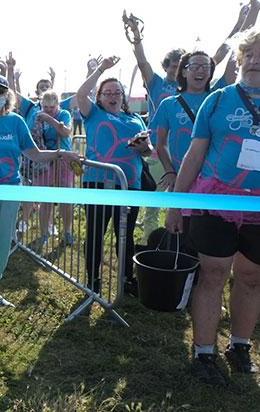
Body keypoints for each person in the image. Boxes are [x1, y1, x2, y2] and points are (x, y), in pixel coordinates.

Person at [165, 28, 260, 386]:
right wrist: (177, 205)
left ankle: (239, 345)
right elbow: (194, 155)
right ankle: (203, 352)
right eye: (249, 54)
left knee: (252, 277)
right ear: (240, 60)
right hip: (214, 201)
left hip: (258, 208)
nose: (254, 61)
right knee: (214, 273)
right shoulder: (217, 100)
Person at [0, 74, 81, 318]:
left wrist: (60, 153)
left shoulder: (16, 122)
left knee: (4, 241)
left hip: (11, 188)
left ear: (7, 95)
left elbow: (34, 154)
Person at [75, 56, 150, 296]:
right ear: (100, 97)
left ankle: (126, 279)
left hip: (130, 185)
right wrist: (101, 69)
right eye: (107, 92)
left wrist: (144, 148)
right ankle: (93, 280)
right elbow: (80, 94)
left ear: (123, 96)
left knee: (125, 236)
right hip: (98, 183)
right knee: (96, 233)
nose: (113, 96)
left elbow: (148, 152)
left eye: (117, 92)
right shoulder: (93, 113)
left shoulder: (135, 118)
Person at [150, 51, 215, 252]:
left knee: (210, 237)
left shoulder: (218, 99)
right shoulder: (169, 104)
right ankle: (184, 280)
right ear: (183, 72)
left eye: (206, 67)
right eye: (194, 66)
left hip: (213, 181)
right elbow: (160, 144)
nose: (200, 71)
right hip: (181, 180)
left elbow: (229, 55)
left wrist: (244, 20)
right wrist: (170, 171)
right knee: (181, 235)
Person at [30, 89, 75, 249]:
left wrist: (49, 119)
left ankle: (67, 232)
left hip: (64, 160)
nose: (48, 110)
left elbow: (65, 132)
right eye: (45, 107)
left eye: (51, 107)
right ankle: (44, 233)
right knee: (46, 198)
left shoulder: (64, 114)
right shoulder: (37, 115)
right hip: (46, 160)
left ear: (57, 105)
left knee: (65, 198)